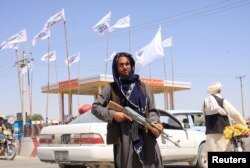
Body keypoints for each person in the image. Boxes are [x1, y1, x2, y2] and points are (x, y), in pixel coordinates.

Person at [91, 52, 163, 168]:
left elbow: (153, 110)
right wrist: (113, 114)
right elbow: (95, 107)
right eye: (121, 65)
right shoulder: (111, 88)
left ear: (131, 65)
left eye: (127, 64)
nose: (125, 67)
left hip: (146, 136)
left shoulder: (143, 87)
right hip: (124, 137)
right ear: (116, 68)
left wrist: (154, 124)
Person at [202, 82, 247, 165]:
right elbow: (234, 114)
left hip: (210, 133)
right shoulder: (223, 101)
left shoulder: (205, 102)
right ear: (220, 90)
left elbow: (204, 116)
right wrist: (244, 124)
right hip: (223, 133)